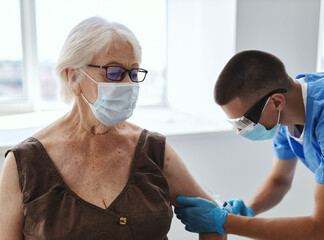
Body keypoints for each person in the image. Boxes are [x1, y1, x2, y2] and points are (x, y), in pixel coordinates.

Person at [0, 16, 225, 240]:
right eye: (114, 73)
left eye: (134, 73)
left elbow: (214, 218)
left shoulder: (153, 150)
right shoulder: (24, 164)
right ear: (73, 77)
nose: (127, 85)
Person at [174, 50, 324, 239]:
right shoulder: (289, 112)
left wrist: (226, 222)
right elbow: (279, 181)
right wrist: (248, 210)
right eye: (235, 124)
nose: (240, 131)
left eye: (244, 122)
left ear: (276, 102)